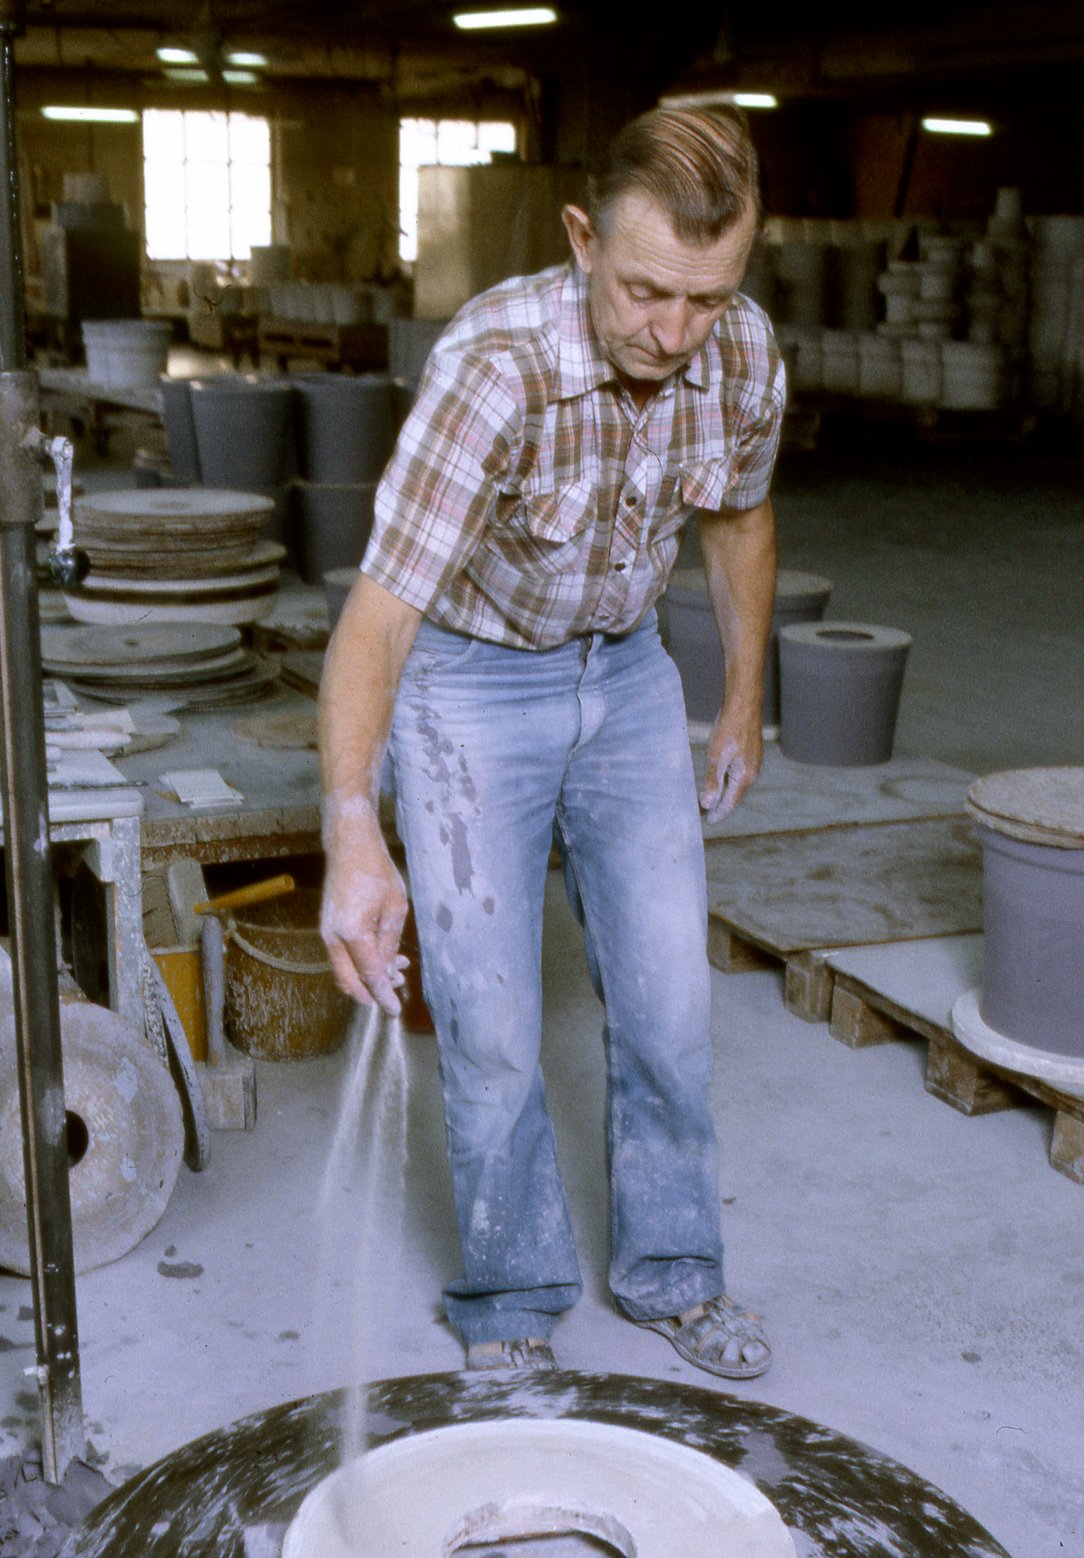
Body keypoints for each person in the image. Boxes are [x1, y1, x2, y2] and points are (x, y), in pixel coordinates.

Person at [317, 104, 785, 1378]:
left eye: (707, 296)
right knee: (491, 1022)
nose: (673, 333)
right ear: (583, 239)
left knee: (671, 1000)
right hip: (469, 684)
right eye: (645, 292)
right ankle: (515, 1291)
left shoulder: (738, 353)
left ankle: (676, 1273)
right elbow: (382, 612)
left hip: (628, 675)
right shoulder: (494, 370)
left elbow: (740, 519)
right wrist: (354, 823)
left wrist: (741, 693)